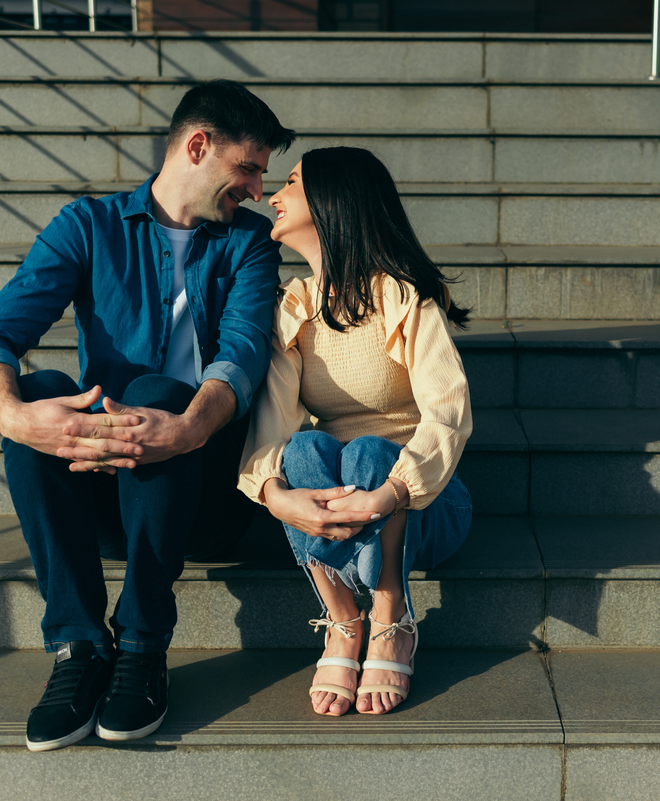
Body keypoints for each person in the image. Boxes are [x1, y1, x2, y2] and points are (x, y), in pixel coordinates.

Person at [0, 80, 295, 751]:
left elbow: (245, 351)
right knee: (41, 389)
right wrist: (13, 416)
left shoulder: (250, 243)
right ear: (198, 146)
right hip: (110, 491)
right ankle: (78, 648)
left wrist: (192, 425)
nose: (259, 190)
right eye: (249, 168)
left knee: (163, 390)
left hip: (203, 495)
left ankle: (142, 643)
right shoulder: (88, 226)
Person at [238, 146, 473, 717]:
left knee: (369, 450)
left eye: (291, 183)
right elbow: (271, 422)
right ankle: (343, 618)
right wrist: (278, 496)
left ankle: (391, 612)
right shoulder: (295, 306)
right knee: (304, 447)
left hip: (419, 506)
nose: (273, 194)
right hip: (335, 499)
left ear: (329, 201)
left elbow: (450, 411)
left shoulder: (402, 296)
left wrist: (390, 494)